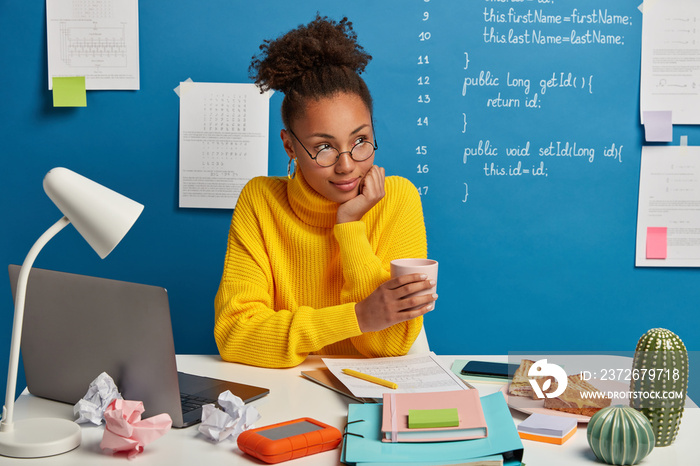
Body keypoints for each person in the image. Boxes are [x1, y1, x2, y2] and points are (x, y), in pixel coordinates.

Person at [214, 15, 437, 368]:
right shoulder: (260, 201)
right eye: (324, 148)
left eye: (361, 140)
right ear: (289, 146)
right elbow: (236, 335)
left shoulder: (398, 199)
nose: (347, 166)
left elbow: (390, 344)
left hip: (372, 397)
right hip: (288, 397)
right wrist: (357, 318)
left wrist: (349, 227)